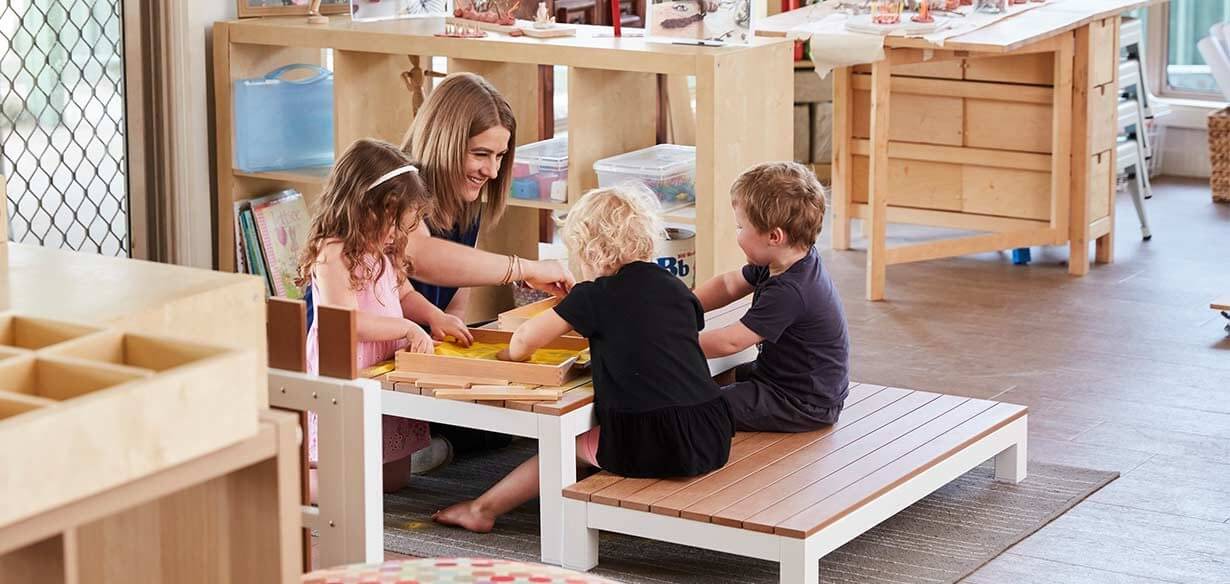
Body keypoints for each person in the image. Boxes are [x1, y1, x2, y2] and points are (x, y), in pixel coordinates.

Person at [303, 72, 574, 472]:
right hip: (361, 353)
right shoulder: (396, 195)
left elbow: (450, 287)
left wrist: (448, 338)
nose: (493, 171)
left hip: (406, 345)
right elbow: (420, 258)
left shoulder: (464, 203)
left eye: (500, 157)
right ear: (447, 143)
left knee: (497, 422)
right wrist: (524, 269)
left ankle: (416, 449)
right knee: (479, 429)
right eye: (481, 154)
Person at [432, 185, 735, 533]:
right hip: (710, 432)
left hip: (653, 443)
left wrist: (505, 356)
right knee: (610, 427)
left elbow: (525, 338)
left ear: (589, 251)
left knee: (567, 447)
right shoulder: (675, 287)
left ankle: (482, 509)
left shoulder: (593, 295)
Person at [296, 138, 475, 492]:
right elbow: (346, 320)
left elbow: (404, 293)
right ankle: (294, 485)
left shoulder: (382, 249)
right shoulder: (334, 253)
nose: (395, 235)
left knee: (393, 479)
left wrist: (434, 315)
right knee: (341, 479)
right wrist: (408, 328)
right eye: (391, 224)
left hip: (383, 366)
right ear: (362, 208)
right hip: (347, 368)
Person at [694, 161, 850, 432]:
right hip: (780, 376)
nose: (737, 234)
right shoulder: (784, 260)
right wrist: (680, 306)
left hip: (800, 400)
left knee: (701, 405)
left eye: (740, 227)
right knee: (710, 377)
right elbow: (730, 284)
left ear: (774, 236)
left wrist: (668, 344)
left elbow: (732, 342)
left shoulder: (791, 290)